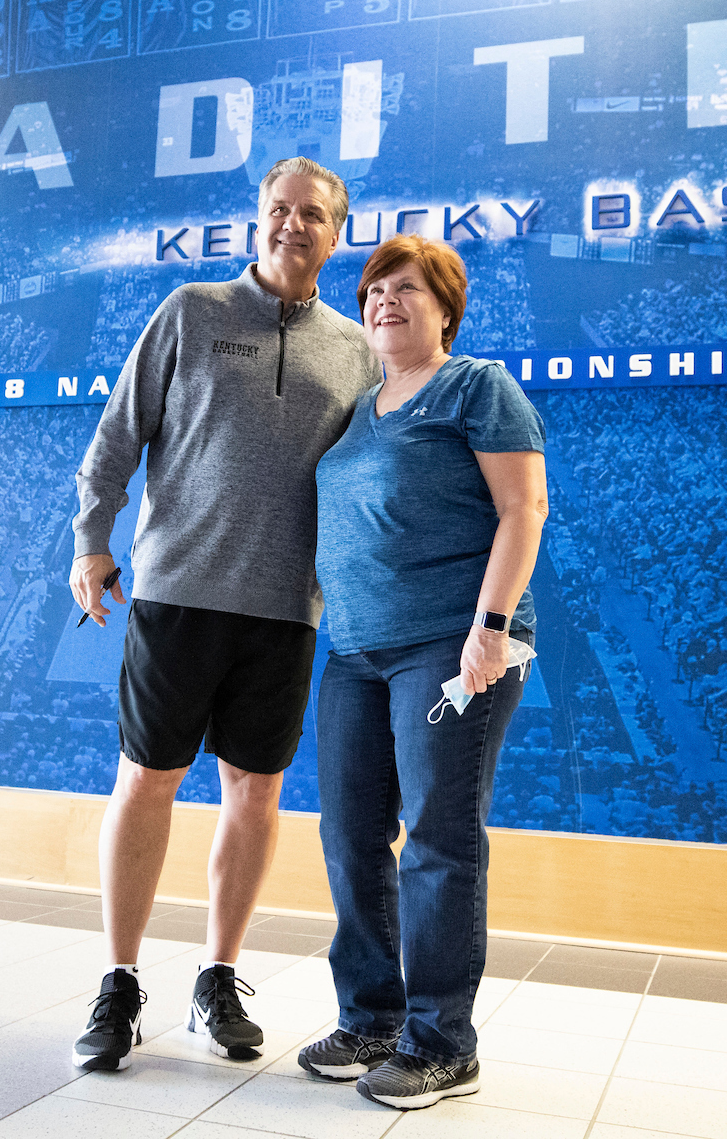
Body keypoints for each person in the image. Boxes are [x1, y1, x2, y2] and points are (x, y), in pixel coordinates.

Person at [69, 158, 380, 1072]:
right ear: (260, 220)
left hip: (288, 609)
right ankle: (120, 982)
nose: (293, 225)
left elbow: (369, 483)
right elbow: (115, 439)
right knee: (147, 782)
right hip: (177, 596)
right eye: (279, 210)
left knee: (254, 795)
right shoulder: (190, 313)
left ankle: (219, 976)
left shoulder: (355, 350)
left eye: (312, 215)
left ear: (336, 233)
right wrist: (93, 542)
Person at [298, 235, 548, 1109]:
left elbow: (524, 508)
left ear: (446, 307)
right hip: (355, 653)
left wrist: (489, 630)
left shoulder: (476, 385)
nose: (384, 303)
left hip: (450, 646)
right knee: (352, 835)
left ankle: (443, 1042)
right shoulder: (362, 406)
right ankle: (371, 1017)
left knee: (439, 843)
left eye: (407, 289)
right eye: (373, 291)